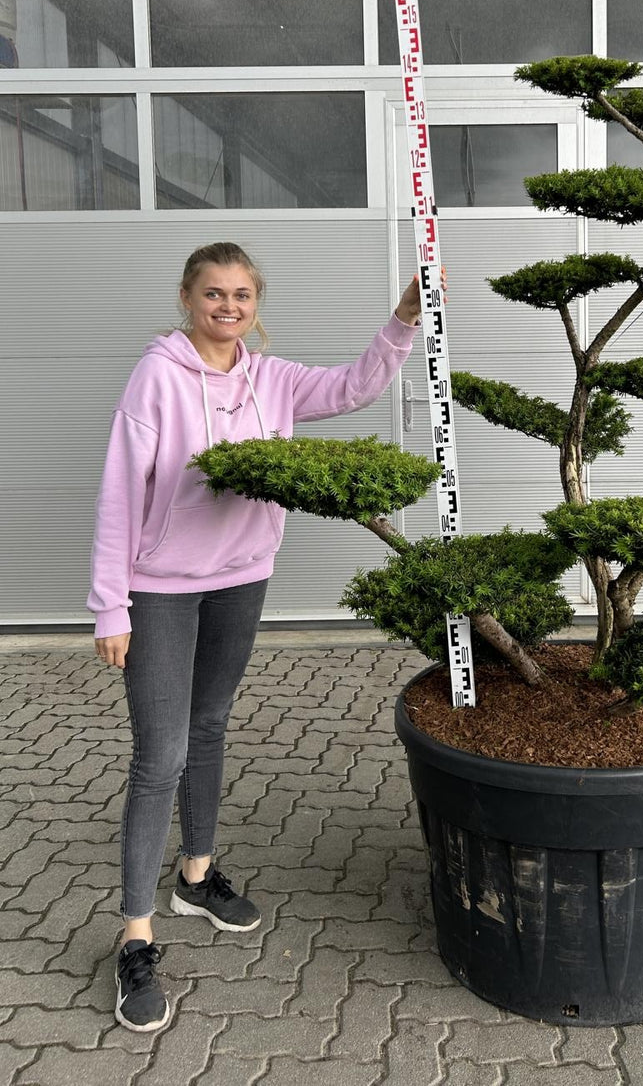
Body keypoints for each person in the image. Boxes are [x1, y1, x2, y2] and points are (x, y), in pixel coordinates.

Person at [89, 240, 430, 1033]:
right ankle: (136, 933)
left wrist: (403, 321)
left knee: (210, 725)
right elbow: (117, 489)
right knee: (159, 754)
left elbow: (352, 386)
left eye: (242, 294)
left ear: (256, 301)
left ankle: (197, 874)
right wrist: (111, 604)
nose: (228, 306)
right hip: (160, 586)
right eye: (214, 293)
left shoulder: (268, 378)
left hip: (242, 574)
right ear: (187, 297)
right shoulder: (158, 377)